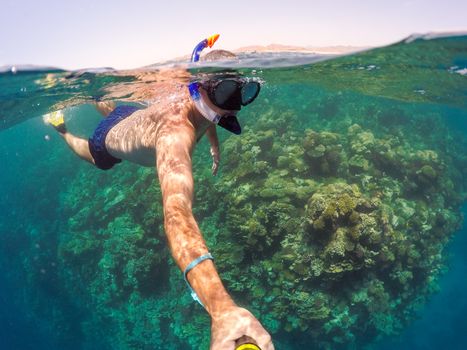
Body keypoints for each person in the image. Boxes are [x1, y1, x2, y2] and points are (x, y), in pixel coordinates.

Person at [45, 35, 274, 350]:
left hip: (130, 115)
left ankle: (94, 92)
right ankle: (61, 129)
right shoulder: (174, 136)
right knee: (92, 155)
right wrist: (222, 309)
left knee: (113, 107)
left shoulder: (205, 102)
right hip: (109, 140)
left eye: (244, 93)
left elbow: (214, 118)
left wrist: (213, 144)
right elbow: (177, 214)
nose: (234, 104)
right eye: (225, 92)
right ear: (200, 88)